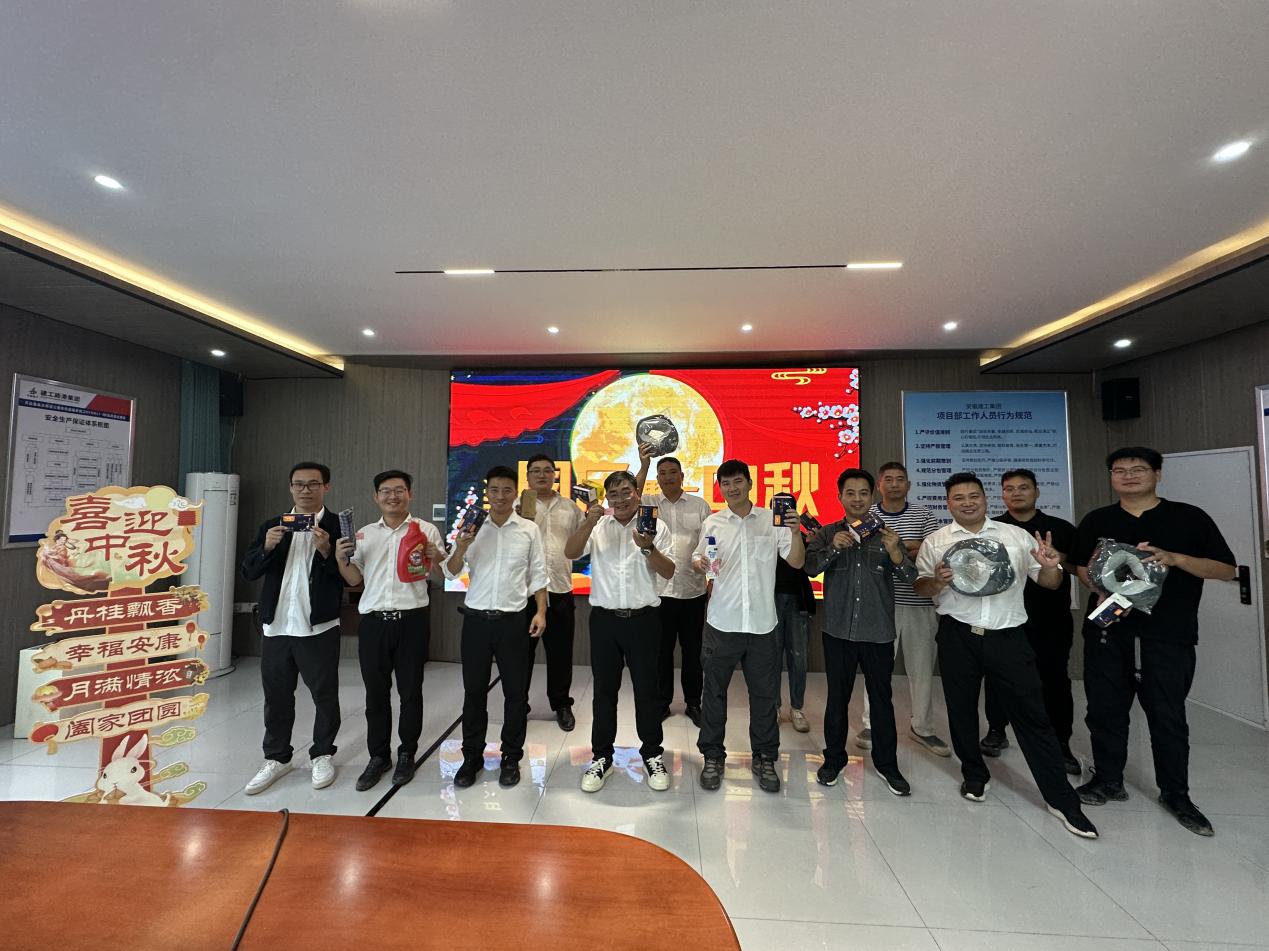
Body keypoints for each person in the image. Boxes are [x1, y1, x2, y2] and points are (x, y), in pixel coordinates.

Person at [914, 472, 1098, 839]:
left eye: (973, 496)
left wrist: (1051, 567)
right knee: (961, 710)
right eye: (958, 498)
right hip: (957, 635)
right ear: (948, 504)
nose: (967, 503)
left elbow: (1049, 583)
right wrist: (937, 581)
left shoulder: (1016, 537)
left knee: (1033, 716)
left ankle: (1060, 798)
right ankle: (974, 774)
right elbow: (922, 587)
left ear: (985, 499)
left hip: (1008, 636)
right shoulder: (936, 541)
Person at [1070, 447, 1236, 836]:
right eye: (1120, 470)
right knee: (1105, 710)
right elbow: (1080, 566)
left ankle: (1176, 794)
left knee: (1168, 716)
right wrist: (1099, 584)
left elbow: (1225, 569)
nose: (1128, 475)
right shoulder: (1098, 519)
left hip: (1168, 633)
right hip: (1108, 630)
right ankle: (1108, 779)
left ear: (1157, 474)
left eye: (1138, 469)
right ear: (1111, 477)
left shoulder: (1189, 518)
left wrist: (1176, 559)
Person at [692, 460, 805, 794]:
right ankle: (713, 756)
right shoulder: (713, 522)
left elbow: (796, 561)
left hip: (761, 624)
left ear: (750, 483)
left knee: (765, 696)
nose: (732, 488)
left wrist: (795, 532)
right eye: (726, 483)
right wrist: (700, 562)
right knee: (713, 694)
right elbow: (699, 558)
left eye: (738, 481)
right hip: (722, 623)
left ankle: (765, 757)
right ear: (720, 488)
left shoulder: (772, 520)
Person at [805, 468, 916, 795]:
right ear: (839, 497)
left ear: (873, 496)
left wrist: (897, 553)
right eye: (850, 493)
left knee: (881, 699)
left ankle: (887, 764)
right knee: (837, 699)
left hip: (877, 633)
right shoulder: (827, 533)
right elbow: (810, 568)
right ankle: (833, 759)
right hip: (838, 631)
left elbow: (912, 578)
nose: (856, 499)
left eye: (863, 493)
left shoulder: (888, 536)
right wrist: (834, 548)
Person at [565, 471, 676, 792]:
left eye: (626, 491)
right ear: (607, 498)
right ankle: (602, 757)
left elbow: (669, 571)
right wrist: (587, 522)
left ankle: (652, 755)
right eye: (613, 494)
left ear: (637, 493)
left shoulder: (656, 527)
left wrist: (648, 548)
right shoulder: (598, 526)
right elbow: (570, 552)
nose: (621, 498)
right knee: (604, 693)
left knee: (648, 691)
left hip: (644, 620)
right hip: (604, 621)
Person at [335, 469, 444, 792]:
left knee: (411, 692)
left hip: (412, 621)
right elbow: (355, 579)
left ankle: (407, 753)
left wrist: (437, 557)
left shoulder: (425, 530)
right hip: (373, 624)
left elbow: (440, 575)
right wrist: (340, 560)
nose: (392, 496)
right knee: (376, 694)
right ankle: (378, 756)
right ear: (376, 497)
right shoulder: (364, 534)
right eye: (386, 491)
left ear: (410, 494)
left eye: (399, 490)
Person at [241, 462, 344, 795]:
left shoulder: (338, 527)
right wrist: (267, 547)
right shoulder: (273, 525)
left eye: (313, 484)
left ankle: (323, 753)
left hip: (318, 626)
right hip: (277, 626)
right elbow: (249, 571)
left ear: (326, 487)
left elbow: (349, 578)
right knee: (276, 696)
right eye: (299, 484)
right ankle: (277, 757)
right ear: (290, 488)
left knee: (324, 695)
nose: (305, 490)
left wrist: (327, 552)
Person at [444, 466, 549, 789]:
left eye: (507, 490)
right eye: (494, 490)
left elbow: (538, 574)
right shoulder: (472, 528)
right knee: (474, 693)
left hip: (513, 622)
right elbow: (450, 571)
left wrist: (541, 612)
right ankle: (471, 758)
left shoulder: (528, 530)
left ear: (516, 493)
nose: (500, 496)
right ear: (487, 492)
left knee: (515, 694)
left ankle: (511, 757)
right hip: (476, 622)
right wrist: (461, 546)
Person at [982, 469, 1080, 774]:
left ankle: (1061, 743)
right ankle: (996, 730)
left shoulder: (1060, 528)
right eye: (1009, 489)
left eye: (1023, 488)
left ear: (1037, 492)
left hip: (1051, 618)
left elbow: (1080, 568)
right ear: (1002, 495)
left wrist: (1056, 556)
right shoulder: (992, 528)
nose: (1016, 493)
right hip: (1004, 617)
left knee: (1054, 679)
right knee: (997, 677)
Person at [863, 462, 950, 757]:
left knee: (922, 669)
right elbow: (866, 551)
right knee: (876, 669)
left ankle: (922, 727)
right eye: (888, 479)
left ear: (909, 485)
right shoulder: (868, 515)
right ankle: (870, 724)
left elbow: (933, 550)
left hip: (919, 603)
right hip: (879, 606)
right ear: (879, 485)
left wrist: (898, 546)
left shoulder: (923, 515)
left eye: (900, 479)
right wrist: (906, 549)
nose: (894, 484)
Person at [635, 446, 713, 727]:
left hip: (693, 591)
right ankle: (662, 702)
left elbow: (711, 544)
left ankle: (693, 702)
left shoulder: (700, 505)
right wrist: (644, 465)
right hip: (659, 592)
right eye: (663, 473)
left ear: (682, 475)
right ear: (657, 478)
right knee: (661, 652)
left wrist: (712, 578)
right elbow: (631, 494)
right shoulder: (648, 503)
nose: (668, 477)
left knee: (693, 652)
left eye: (672, 472)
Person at [523, 453, 584, 730]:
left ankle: (561, 704)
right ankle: (518, 703)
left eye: (547, 470)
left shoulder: (570, 508)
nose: (542, 475)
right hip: (524, 592)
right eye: (535, 471)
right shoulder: (517, 507)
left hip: (559, 588)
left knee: (560, 653)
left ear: (555, 475)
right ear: (527, 476)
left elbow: (583, 544)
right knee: (521, 653)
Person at [773, 556, 816, 733]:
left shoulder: (801, 536)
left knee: (799, 658)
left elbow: (810, 563)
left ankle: (797, 708)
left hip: (798, 596)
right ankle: (774, 707)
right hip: (770, 595)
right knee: (772, 657)